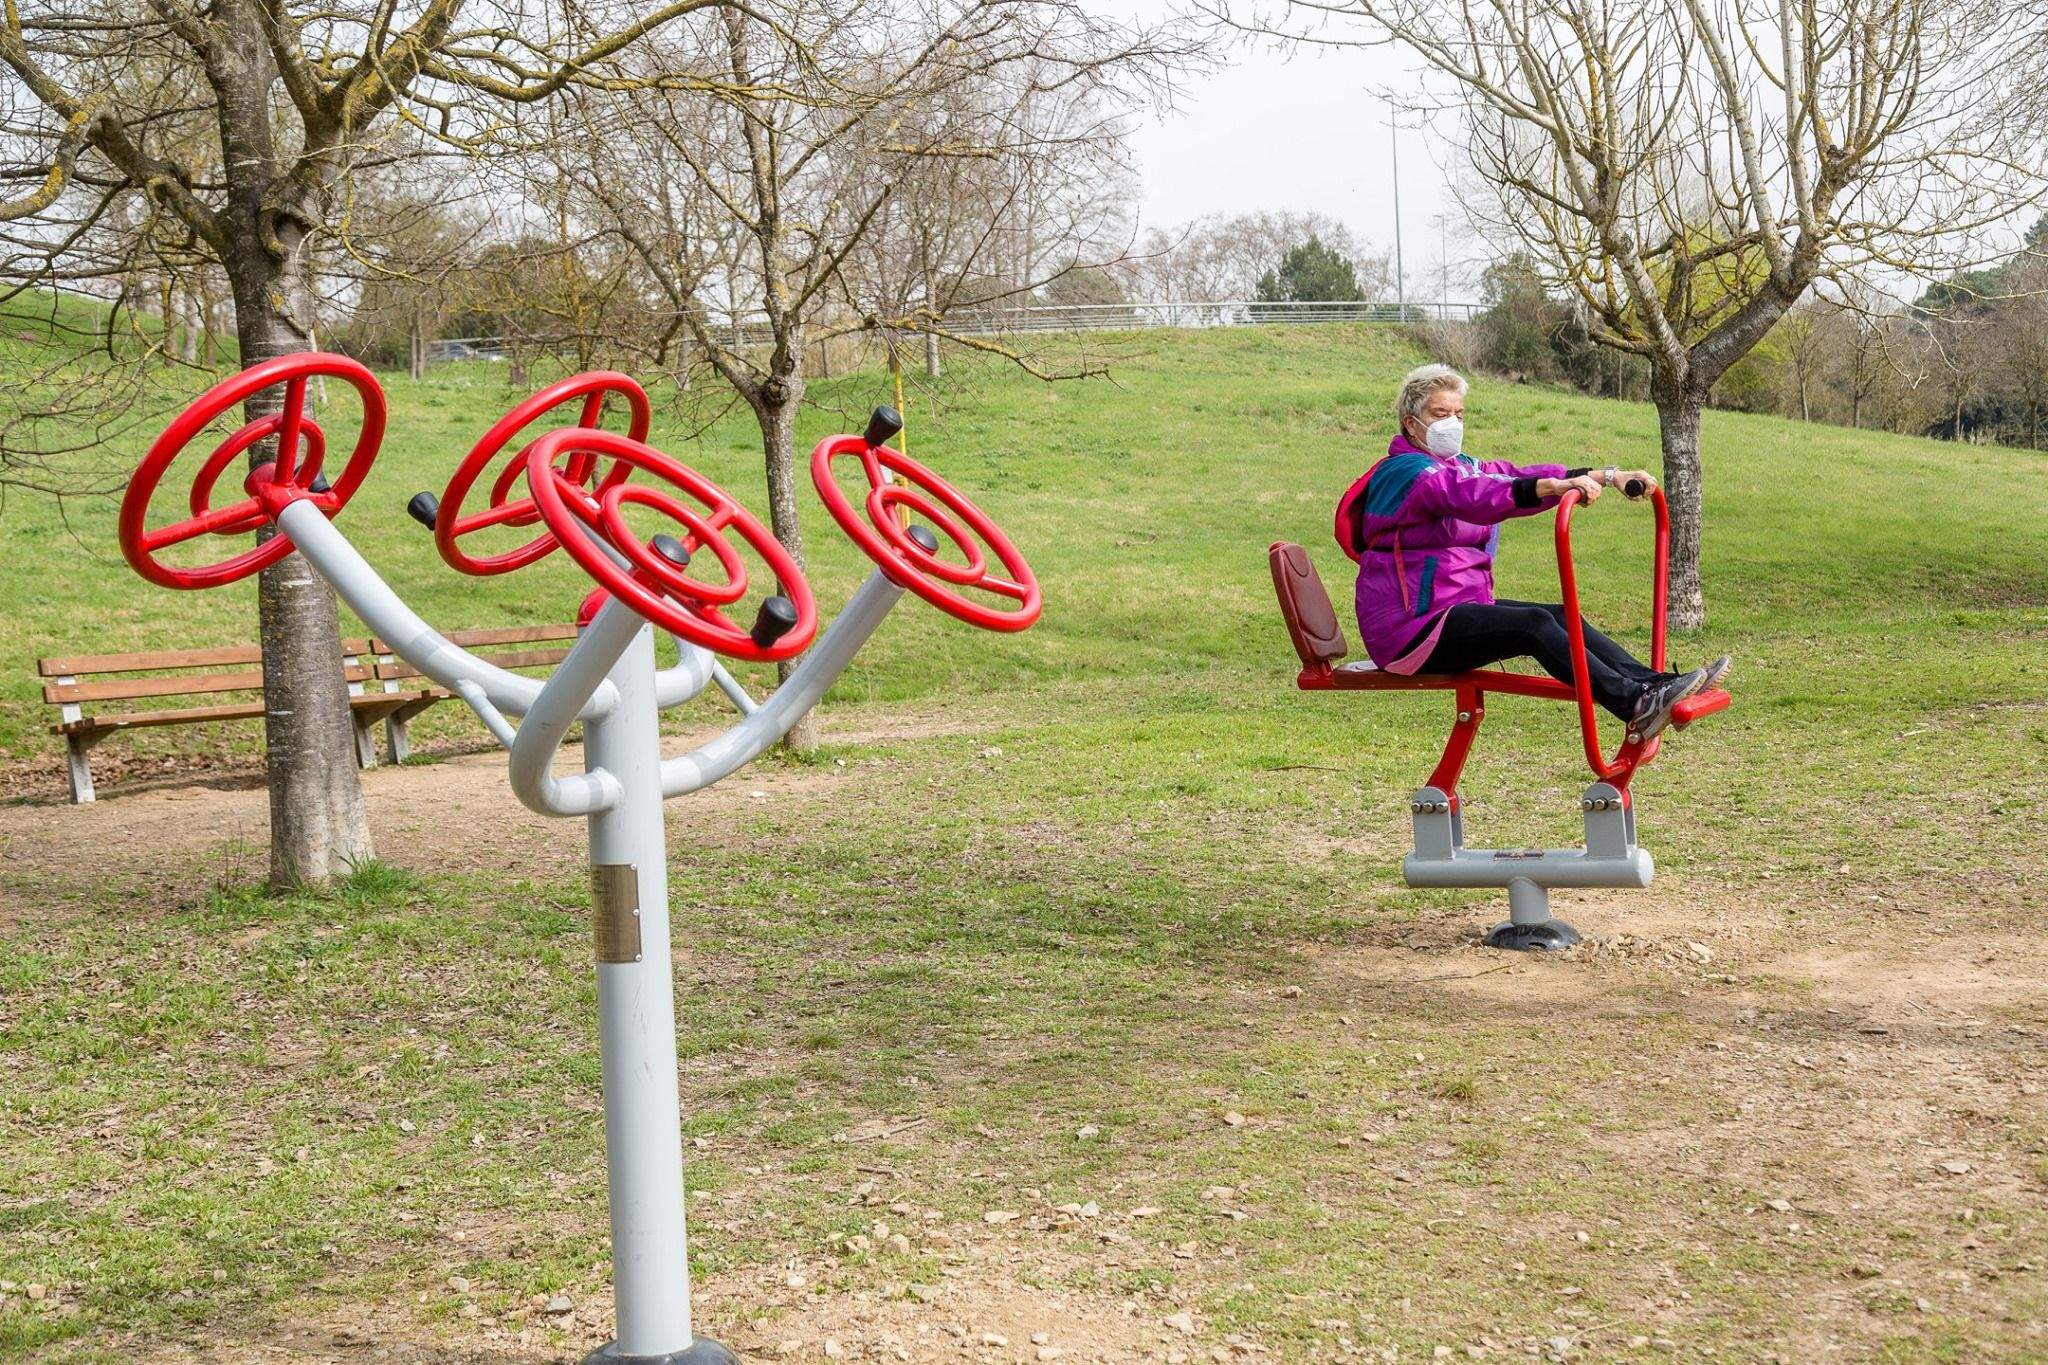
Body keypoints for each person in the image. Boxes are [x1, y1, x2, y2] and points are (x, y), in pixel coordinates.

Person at [1336, 364, 1730, 739]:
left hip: (1453, 608)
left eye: (1459, 413)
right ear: (1411, 422)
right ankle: (1637, 704)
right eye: (1440, 414)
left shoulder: (1461, 465)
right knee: (1533, 624)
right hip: (1409, 630)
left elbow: (1515, 475)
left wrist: (1609, 476)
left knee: (1561, 616)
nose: (1452, 423)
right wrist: (1549, 490)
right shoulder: (1405, 472)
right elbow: (1472, 495)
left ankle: (1656, 684)